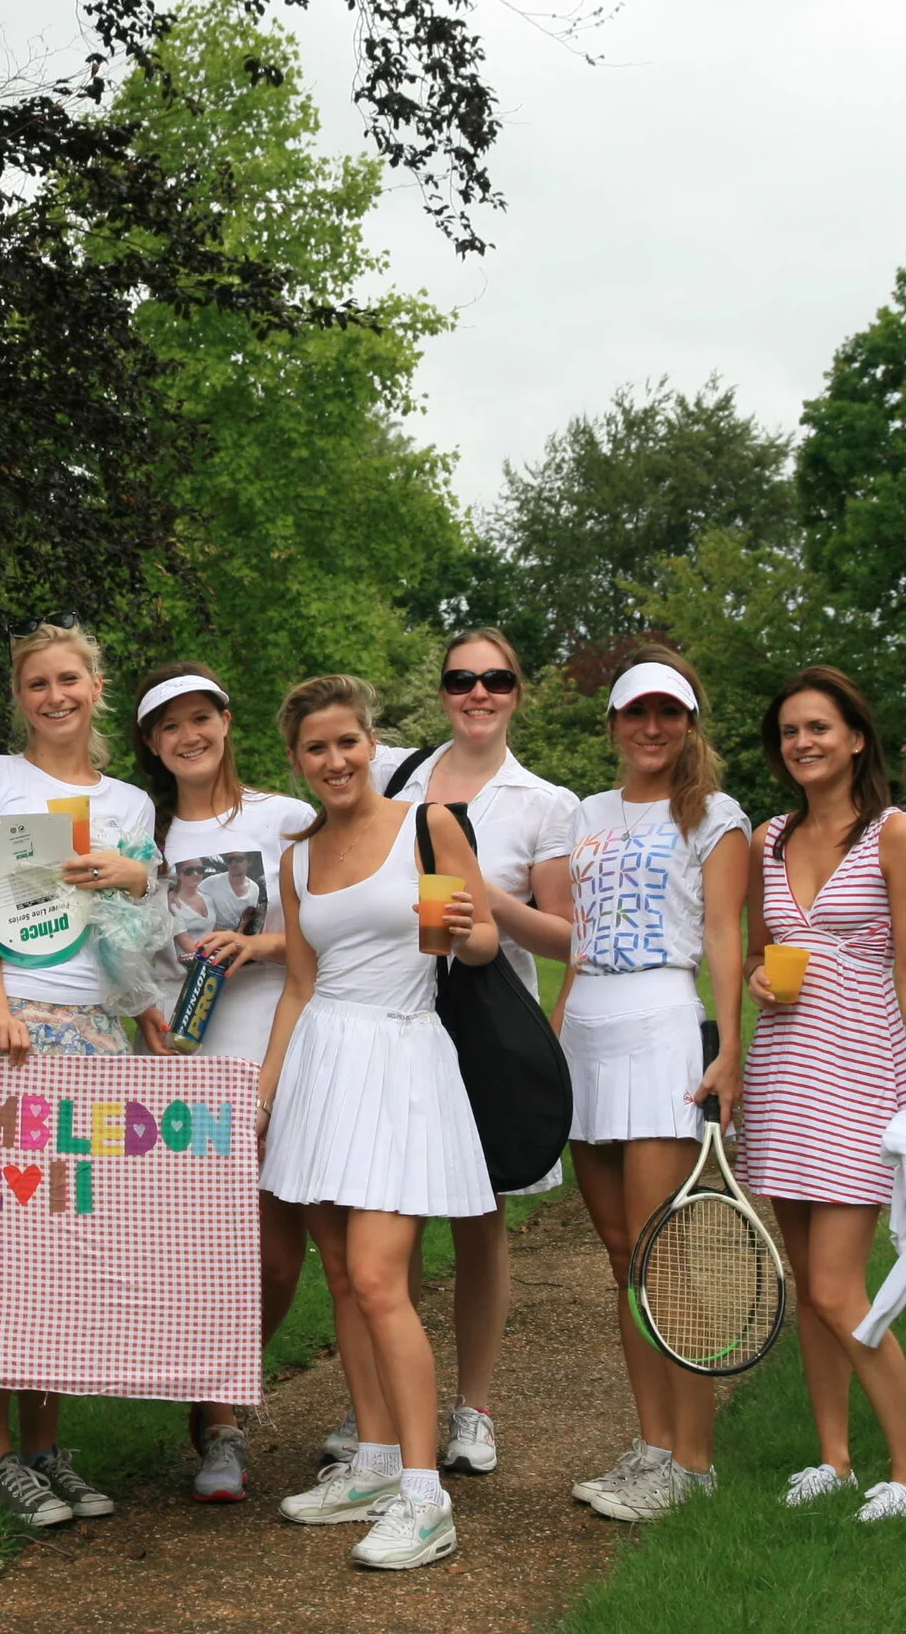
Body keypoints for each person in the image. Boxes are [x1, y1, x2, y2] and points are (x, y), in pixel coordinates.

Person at [0, 616, 169, 1529]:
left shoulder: (131, 804)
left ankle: (46, 1447)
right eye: (38, 684)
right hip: (1, 1022)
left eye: (70, 679)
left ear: (96, 686)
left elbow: (140, 920)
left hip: (93, 1026)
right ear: (20, 696)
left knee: (64, 1249)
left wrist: (133, 878)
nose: (56, 695)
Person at [259, 675, 498, 1572]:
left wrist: (471, 926)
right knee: (342, 1276)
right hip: (323, 1061)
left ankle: (426, 1497)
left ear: (372, 743)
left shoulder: (427, 823)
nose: (334, 760)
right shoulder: (295, 855)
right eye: (316, 748)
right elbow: (298, 985)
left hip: (401, 1055)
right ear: (298, 760)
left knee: (378, 1275)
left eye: (348, 742)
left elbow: (475, 947)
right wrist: (269, 1090)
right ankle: (372, 1459)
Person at [736, 666, 906, 1521]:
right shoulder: (767, 838)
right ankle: (834, 1456)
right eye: (790, 732)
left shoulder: (898, 834)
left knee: (837, 1286)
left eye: (818, 727)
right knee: (805, 1282)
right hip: (785, 1069)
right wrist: (758, 977)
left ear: (856, 737)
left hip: (862, 1074)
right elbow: (762, 947)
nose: (803, 743)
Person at [364, 630, 578, 1479]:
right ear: (444, 689)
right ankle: (382, 1402)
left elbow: (565, 937)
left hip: (483, 1021)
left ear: (517, 692)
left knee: (480, 1221)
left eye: (495, 679)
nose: (477, 692)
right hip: (397, 1010)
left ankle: (475, 1407)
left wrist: (483, 890)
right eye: (461, 679)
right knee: (394, 1217)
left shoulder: (544, 803)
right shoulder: (401, 779)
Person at [557, 646, 748, 1524]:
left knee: (663, 1251)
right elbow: (573, 937)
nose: (651, 727)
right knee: (620, 1255)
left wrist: (729, 1048)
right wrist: (554, 1033)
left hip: (662, 1029)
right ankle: (652, 1445)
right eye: (637, 713)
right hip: (587, 1036)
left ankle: (694, 1461)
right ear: (615, 724)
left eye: (668, 713)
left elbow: (721, 936)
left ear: (688, 724)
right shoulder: (585, 813)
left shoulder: (715, 816)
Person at [128, 662, 317, 1503]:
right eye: (169, 727)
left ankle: (223, 1384)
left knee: (278, 1258)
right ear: (151, 744)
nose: (188, 736)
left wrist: (262, 947)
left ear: (228, 721)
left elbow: (330, 933)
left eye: (200, 717)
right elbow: (120, 948)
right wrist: (144, 1020)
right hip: (181, 1064)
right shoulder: (144, 835)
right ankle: (220, 1423)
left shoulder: (286, 819)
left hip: (274, 1048)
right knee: (202, 1255)